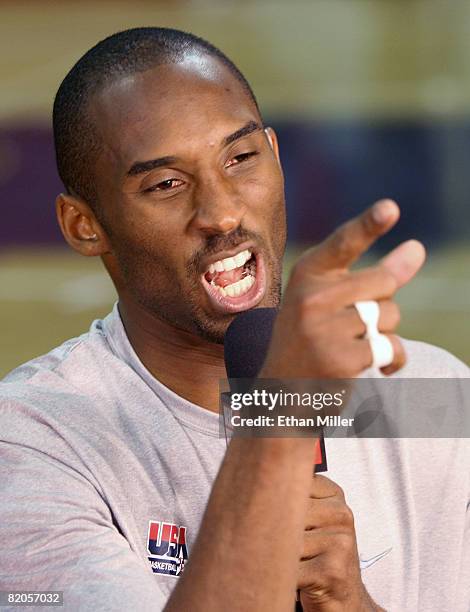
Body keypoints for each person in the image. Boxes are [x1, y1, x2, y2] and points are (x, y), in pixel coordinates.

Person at [0, 27, 468, 612]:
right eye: (166, 184)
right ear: (83, 225)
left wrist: (351, 603)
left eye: (241, 158)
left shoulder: (433, 398)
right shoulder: (31, 443)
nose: (222, 213)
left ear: (275, 154)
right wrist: (281, 417)